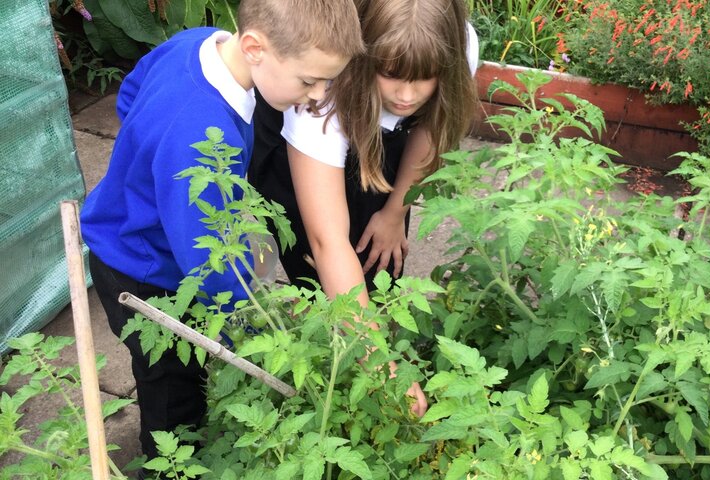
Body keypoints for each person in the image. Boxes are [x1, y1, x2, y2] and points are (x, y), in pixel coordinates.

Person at [80, 0, 363, 460]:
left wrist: (144, 162)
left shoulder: (196, 44)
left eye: (328, 79)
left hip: (132, 229)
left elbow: (131, 93)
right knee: (172, 388)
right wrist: (248, 337)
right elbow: (208, 263)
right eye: (309, 80)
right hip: (143, 274)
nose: (318, 94)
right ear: (255, 47)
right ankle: (167, 466)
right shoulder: (198, 134)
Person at [249, 0, 479, 417]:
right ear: (364, 58)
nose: (407, 95)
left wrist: (395, 210)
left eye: (424, 79)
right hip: (300, 148)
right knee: (319, 276)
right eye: (391, 75)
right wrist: (383, 369)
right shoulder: (319, 94)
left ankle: (364, 347)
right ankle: (330, 371)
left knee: (379, 264)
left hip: (378, 139)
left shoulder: (455, 46)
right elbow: (327, 239)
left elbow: (432, 123)